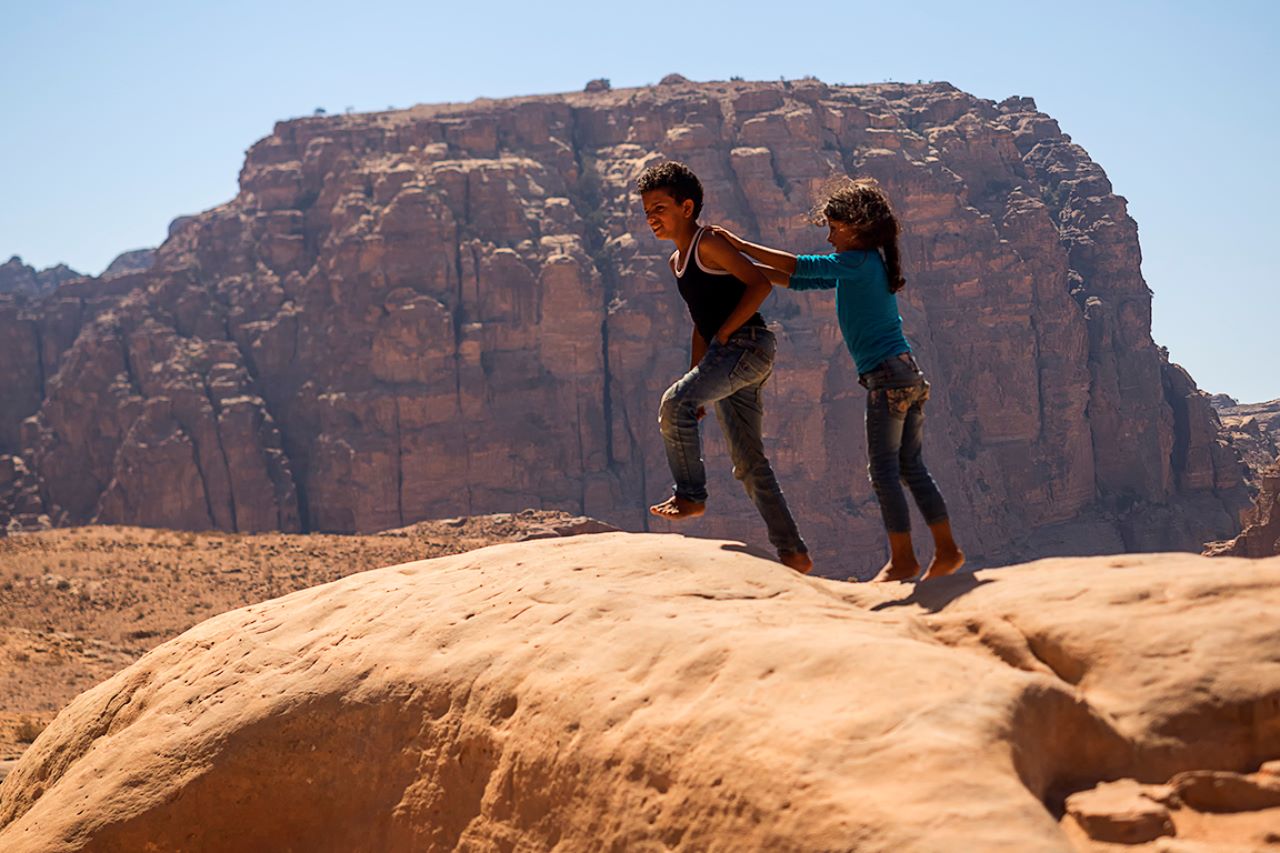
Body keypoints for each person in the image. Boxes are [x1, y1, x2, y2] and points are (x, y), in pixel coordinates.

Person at [712, 178, 964, 582]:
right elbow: (800, 280)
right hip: (907, 375)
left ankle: (903, 560)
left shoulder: (858, 262)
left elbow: (799, 266)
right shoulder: (865, 265)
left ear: (856, 225)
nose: (828, 236)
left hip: (887, 379)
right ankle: (947, 550)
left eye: (832, 227)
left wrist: (740, 245)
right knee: (910, 466)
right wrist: (737, 266)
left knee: (883, 471)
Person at [635, 161, 812, 574]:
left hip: (746, 347)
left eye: (659, 208)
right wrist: (697, 375)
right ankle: (794, 554)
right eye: (646, 212)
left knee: (671, 404)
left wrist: (726, 335)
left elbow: (760, 284)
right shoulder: (677, 262)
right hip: (731, 355)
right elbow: (701, 324)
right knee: (748, 462)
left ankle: (690, 495)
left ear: (686, 206)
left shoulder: (707, 242)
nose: (652, 218)